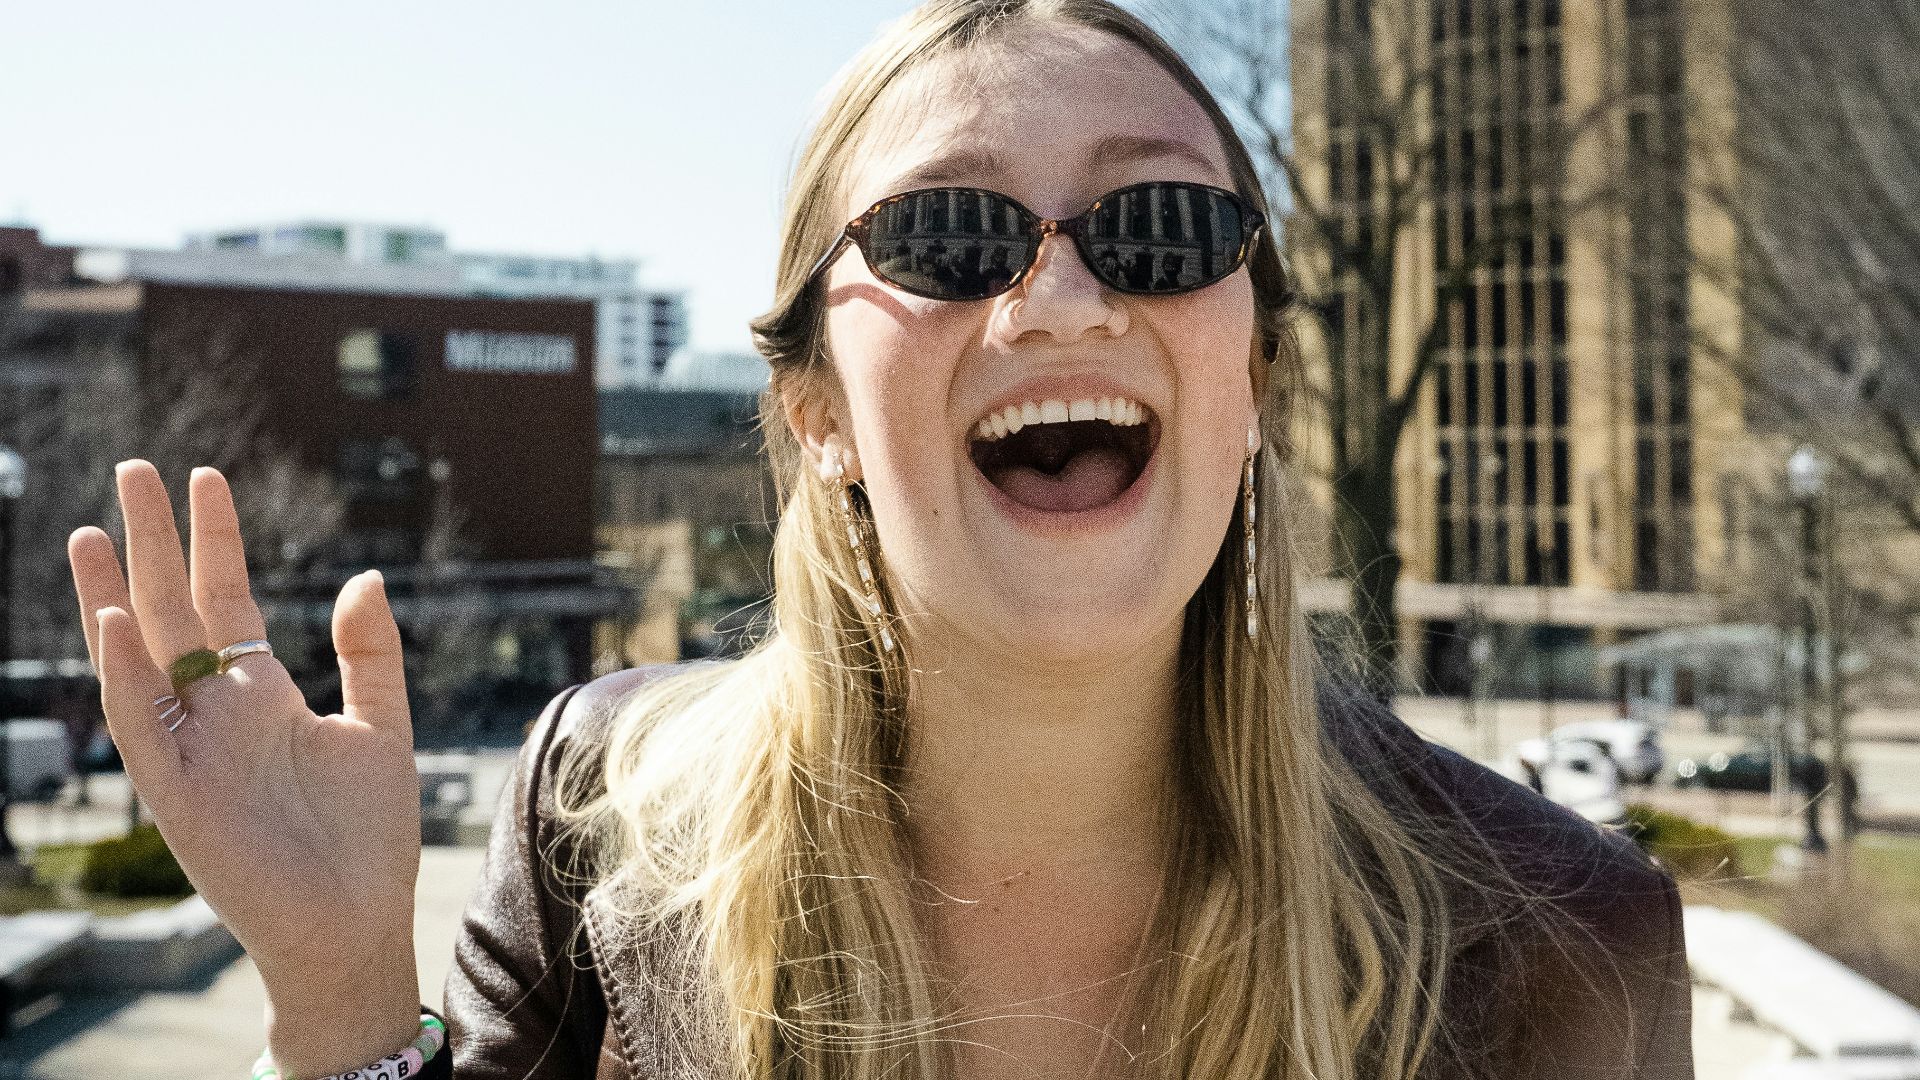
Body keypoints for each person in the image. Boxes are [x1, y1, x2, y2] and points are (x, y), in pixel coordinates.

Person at [64, 2, 1692, 1078]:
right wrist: (342, 987)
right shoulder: (594, 818)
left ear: (1253, 372)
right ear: (820, 408)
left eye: (1163, 227)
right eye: (948, 235)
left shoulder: (1566, 938)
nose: (1060, 293)